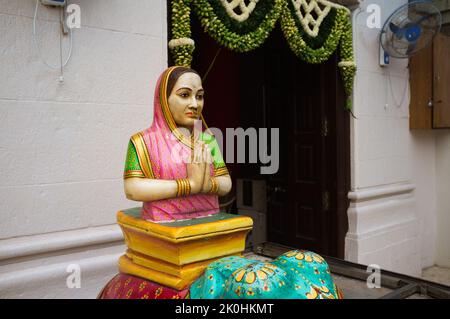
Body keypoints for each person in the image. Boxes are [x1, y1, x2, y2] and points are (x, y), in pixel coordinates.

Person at [123, 66, 232, 222]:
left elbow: (226, 182)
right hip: (162, 222)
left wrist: (207, 185)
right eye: (185, 95)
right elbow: (132, 189)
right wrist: (189, 185)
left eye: (199, 96)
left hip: (208, 218)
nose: (195, 104)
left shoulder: (207, 140)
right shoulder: (142, 141)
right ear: (163, 99)